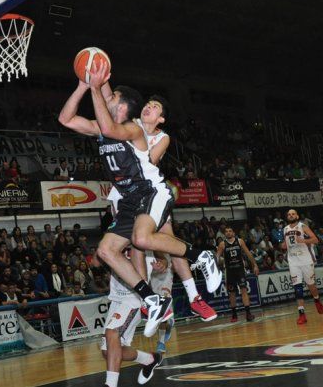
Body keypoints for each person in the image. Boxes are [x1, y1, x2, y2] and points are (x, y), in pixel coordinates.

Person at [58, 63, 220, 337]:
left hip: (151, 191)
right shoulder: (103, 126)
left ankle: (200, 257)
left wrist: (97, 87)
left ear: (122, 108)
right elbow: (65, 119)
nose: (108, 101)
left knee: (142, 239)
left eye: (114, 100)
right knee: (106, 250)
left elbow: (111, 120)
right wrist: (83, 86)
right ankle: (151, 298)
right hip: (129, 200)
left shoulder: (133, 129)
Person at [107, 96, 217, 323]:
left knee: (169, 239)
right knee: (136, 243)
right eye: (148, 104)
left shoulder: (162, 137)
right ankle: (150, 300)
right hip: (123, 194)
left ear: (161, 118)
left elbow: (150, 160)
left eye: (155, 106)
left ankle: (194, 297)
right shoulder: (130, 125)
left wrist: (134, 138)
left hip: (147, 192)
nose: (149, 106)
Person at [93, 252, 162, 387]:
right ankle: (150, 359)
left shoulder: (142, 240)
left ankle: (110, 384)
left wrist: (162, 262)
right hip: (116, 299)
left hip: (134, 299)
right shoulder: (116, 239)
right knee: (108, 352)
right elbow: (95, 263)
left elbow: (161, 254)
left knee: (112, 332)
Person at [282, 209, 323, 325]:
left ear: (297, 216)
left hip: (305, 260)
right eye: (289, 214)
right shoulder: (285, 229)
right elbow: (286, 245)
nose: (291, 216)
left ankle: (316, 299)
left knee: (311, 285)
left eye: (293, 214)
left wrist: (303, 240)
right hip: (293, 261)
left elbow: (315, 240)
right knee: (297, 287)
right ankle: (302, 314)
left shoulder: (303, 226)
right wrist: (283, 245)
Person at [216, 226, 258, 323]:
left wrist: (255, 265)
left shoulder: (240, 241)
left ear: (233, 233)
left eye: (230, 231)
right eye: (226, 231)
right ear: (224, 234)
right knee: (232, 293)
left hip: (240, 270)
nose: (228, 233)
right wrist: (214, 265)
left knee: (244, 290)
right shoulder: (222, 244)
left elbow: (248, 254)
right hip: (229, 271)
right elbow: (217, 257)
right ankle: (234, 314)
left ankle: (248, 313)